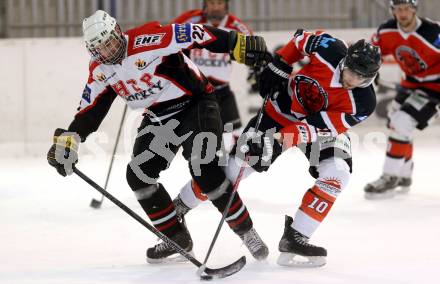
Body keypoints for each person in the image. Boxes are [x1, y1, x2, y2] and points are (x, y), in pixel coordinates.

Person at [46, 10, 270, 263]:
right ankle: (176, 238)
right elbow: (91, 108)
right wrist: (70, 139)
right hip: (160, 118)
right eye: (101, 49)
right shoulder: (100, 70)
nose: (108, 51)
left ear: (118, 32)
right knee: (138, 175)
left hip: (195, 104)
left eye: (110, 42)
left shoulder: (149, 38)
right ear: (93, 51)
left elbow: (195, 34)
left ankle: (247, 232)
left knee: (205, 169)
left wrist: (235, 43)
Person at [171, 30, 381, 267]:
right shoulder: (331, 48)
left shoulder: (364, 103)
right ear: (346, 61)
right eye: (350, 71)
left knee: (338, 172)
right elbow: (301, 39)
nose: (351, 80)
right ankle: (176, 211)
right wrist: (280, 64)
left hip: (317, 128)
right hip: (278, 112)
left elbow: (315, 128)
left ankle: (296, 235)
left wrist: (278, 140)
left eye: (360, 78)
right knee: (231, 171)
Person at [364, 0, 440, 199]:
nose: (403, 13)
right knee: (395, 122)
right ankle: (404, 175)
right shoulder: (386, 31)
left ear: (414, 10)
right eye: (398, 9)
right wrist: (370, 71)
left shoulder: (433, 32)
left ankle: (391, 176)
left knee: (402, 122)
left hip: (435, 89)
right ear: (393, 11)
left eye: (407, 8)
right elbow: (371, 54)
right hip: (410, 83)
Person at [172, 0, 254, 151]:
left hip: (223, 91)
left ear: (226, 5)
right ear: (205, 5)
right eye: (211, 3)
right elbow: (169, 39)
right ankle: (203, 173)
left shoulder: (236, 26)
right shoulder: (191, 20)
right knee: (201, 140)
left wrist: (254, 71)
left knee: (236, 139)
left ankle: (228, 173)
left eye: (219, 3)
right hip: (197, 92)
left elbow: (253, 50)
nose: (215, 8)